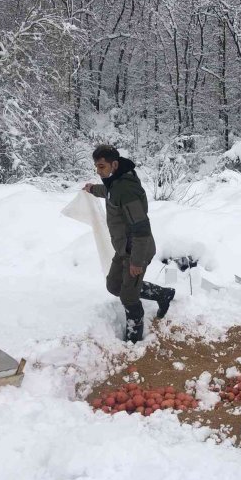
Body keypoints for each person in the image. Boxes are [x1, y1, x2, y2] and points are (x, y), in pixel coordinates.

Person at [83, 145, 175, 343]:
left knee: (129, 298)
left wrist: (137, 262)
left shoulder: (126, 189)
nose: (99, 172)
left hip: (137, 251)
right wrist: (93, 189)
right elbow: (109, 193)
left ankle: (133, 341)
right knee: (114, 285)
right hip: (124, 248)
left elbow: (141, 229)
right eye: (96, 168)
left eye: (101, 167)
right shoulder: (115, 181)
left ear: (114, 164)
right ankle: (164, 294)